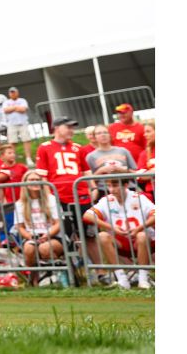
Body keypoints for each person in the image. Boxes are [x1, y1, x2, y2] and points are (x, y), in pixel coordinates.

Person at [35, 116, 97, 271]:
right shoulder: (45, 147)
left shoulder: (78, 148)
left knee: (90, 236)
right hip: (59, 199)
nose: (71, 130)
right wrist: (49, 198)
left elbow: (87, 173)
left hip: (81, 197)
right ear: (56, 128)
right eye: (67, 127)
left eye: (72, 127)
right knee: (65, 237)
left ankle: (101, 271)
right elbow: (42, 176)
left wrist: (93, 190)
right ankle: (73, 272)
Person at [83, 177, 155, 289]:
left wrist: (139, 228)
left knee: (142, 235)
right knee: (102, 236)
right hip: (120, 241)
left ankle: (143, 279)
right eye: (109, 186)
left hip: (142, 241)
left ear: (125, 185)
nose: (111, 189)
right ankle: (122, 279)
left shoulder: (139, 197)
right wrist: (112, 227)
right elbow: (87, 216)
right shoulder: (106, 200)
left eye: (115, 185)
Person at [14, 170, 64, 284]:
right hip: (32, 237)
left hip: (54, 236)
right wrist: (30, 236)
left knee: (45, 248)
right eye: (31, 180)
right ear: (25, 183)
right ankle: (32, 280)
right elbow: (20, 227)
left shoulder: (51, 199)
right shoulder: (20, 203)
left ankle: (55, 279)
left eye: (37, 180)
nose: (35, 182)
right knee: (29, 248)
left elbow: (59, 223)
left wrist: (48, 235)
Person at [2, 86, 35, 165]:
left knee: (26, 140)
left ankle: (28, 158)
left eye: (14, 92)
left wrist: (12, 108)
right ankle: (12, 160)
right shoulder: (6, 102)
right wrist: (16, 108)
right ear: (9, 94)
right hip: (11, 124)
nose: (12, 94)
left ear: (17, 93)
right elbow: (6, 110)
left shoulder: (22, 100)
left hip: (23, 123)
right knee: (12, 142)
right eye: (11, 92)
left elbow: (23, 109)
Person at [137, 123, 156, 200]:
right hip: (152, 190)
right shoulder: (144, 154)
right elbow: (139, 176)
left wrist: (151, 172)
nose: (145, 135)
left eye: (148, 131)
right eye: (144, 132)